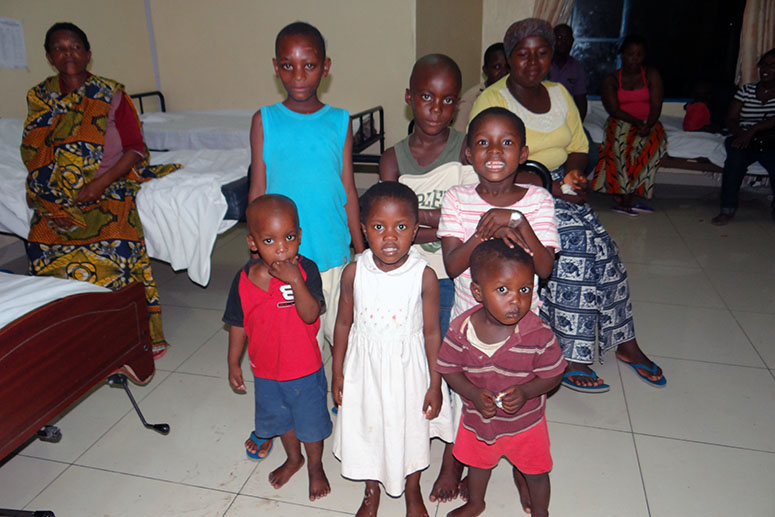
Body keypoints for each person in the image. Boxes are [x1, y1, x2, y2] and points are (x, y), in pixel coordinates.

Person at [468, 18, 665, 393]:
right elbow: (487, 162)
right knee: (574, 246)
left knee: (606, 249)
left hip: (558, 185)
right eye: (522, 54)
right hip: (512, 190)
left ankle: (626, 342)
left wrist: (573, 175)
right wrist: (553, 186)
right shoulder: (492, 100)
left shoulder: (559, 93)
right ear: (509, 57)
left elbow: (579, 146)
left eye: (541, 53)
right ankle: (571, 355)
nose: (532, 62)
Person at [21, 22, 179, 357]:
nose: (68, 54)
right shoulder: (39, 97)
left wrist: (99, 183)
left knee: (119, 247)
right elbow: (34, 151)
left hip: (109, 186)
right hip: (57, 195)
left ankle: (126, 336)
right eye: (59, 48)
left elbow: (135, 149)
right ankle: (66, 333)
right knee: (39, 245)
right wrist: (56, 196)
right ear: (49, 56)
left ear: (88, 54)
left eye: (75, 47)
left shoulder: (110, 94)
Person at [436, 107, 560, 507]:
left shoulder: (538, 200)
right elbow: (453, 265)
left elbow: (545, 268)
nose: (494, 151)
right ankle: (457, 460)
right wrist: (483, 230)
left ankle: (524, 467)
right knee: (468, 398)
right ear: (468, 153)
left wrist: (518, 221)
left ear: (523, 153)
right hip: (468, 324)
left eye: (506, 143)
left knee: (521, 398)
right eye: (483, 142)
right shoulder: (456, 199)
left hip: (524, 325)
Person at [380, 54, 473, 505]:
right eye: (426, 97)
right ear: (409, 98)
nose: (436, 108)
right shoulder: (392, 158)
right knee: (412, 366)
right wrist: (443, 220)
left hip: (455, 275)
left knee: (455, 367)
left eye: (448, 100)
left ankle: (454, 459)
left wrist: (417, 221)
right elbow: (387, 226)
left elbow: (472, 221)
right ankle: (412, 443)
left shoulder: (468, 150)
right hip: (407, 279)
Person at [331, 182, 454, 517]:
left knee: (411, 429)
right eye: (378, 227)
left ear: (414, 231)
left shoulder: (424, 276)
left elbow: (432, 332)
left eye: (400, 227)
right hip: (365, 369)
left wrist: (435, 382)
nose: (389, 237)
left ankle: (412, 489)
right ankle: (371, 490)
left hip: (409, 370)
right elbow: (342, 324)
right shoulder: (354, 273)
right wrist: (337, 372)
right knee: (367, 426)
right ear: (363, 229)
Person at [248, 21, 365, 354]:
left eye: (309, 65)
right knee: (301, 345)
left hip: (333, 251)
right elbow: (257, 191)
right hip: (286, 258)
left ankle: (342, 385)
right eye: (288, 66)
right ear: (276, 68)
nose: (298, 75)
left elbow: (348, 189)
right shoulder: (264, 120)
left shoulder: (340, 120)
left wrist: (361, 251)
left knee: (343, 338)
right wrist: (256, 254)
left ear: (325, 68)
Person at [437, 240, 566, 517]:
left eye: (524, 289)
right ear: (478, 292)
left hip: (526, 424)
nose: (516, 300)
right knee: (478, 465)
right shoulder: (461, 330)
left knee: (536, 473)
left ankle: (541, 511)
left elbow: (554, 373)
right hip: (479, 420)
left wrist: (527, 391)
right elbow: (448, 368)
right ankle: (476, 502)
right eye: (503, 290)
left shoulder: (538, 333)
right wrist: (472, 393)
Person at [223, 195, 331, 501]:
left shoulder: (306, 270)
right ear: (253, 243)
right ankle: (294, 458)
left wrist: (295, 281)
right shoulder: (243, 279)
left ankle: (315, 466)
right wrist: (233, 362)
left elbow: (310, 314)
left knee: (311, 425)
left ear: (299, 235)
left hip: (304, 369)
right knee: (282, 420)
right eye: (269, 240)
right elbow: (238, 323)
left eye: (289, 237)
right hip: (267, 371)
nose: (281, 248)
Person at [592, 34, 667, 215]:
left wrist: (648, 125)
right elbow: (613, 109)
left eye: (639, 54)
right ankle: (625, 196)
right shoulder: (611, 79)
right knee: (619, 146)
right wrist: (636, 122)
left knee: (653, 146)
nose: (634, 58)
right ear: (623, 55)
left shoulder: (651, 75)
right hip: (621, 119)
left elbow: (656, 104)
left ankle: (630, 192)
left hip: (648, 121)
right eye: (630, 54)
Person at [711, 49, 775, 226]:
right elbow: (731, 119)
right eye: (764, 65)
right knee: (735, 162)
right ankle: (727, 209)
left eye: (772, 66)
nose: (766, 69)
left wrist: (753, 130)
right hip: (743, 136)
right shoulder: (746, 90)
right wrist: (742, 135)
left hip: (770, 141)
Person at [452, 44, 510, 133]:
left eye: (508, 66)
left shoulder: (519, 95)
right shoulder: (470, 100)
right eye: (497, 67)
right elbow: (460, 134)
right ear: (485, 70)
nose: (504, 72)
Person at [549, 24, 587, 120]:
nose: (563, 42)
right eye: (559, 38)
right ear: (552, 40)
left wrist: (578, 123)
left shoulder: (576, 67)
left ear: (572, 41)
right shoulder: (541, 63)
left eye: (567, 38)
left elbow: (581, 100)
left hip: (566, 116)